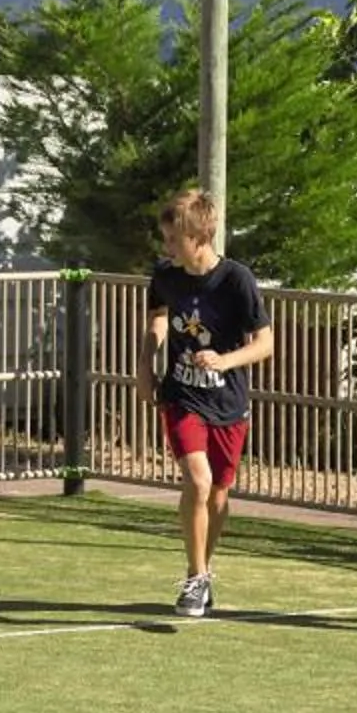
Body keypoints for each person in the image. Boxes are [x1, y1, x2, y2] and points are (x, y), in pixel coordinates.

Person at [138, 190, 273, 620]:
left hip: (229, 401)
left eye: (174, 239)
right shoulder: (165, 274)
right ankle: (195, 578)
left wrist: (225, 359)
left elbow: (265, 343)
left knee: (217, 495)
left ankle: (203, 573)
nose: (167, 248)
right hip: (182, 396)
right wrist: (146, 362)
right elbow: (158, 315)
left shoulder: (237, 280)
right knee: (197, 480)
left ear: (199, 236)